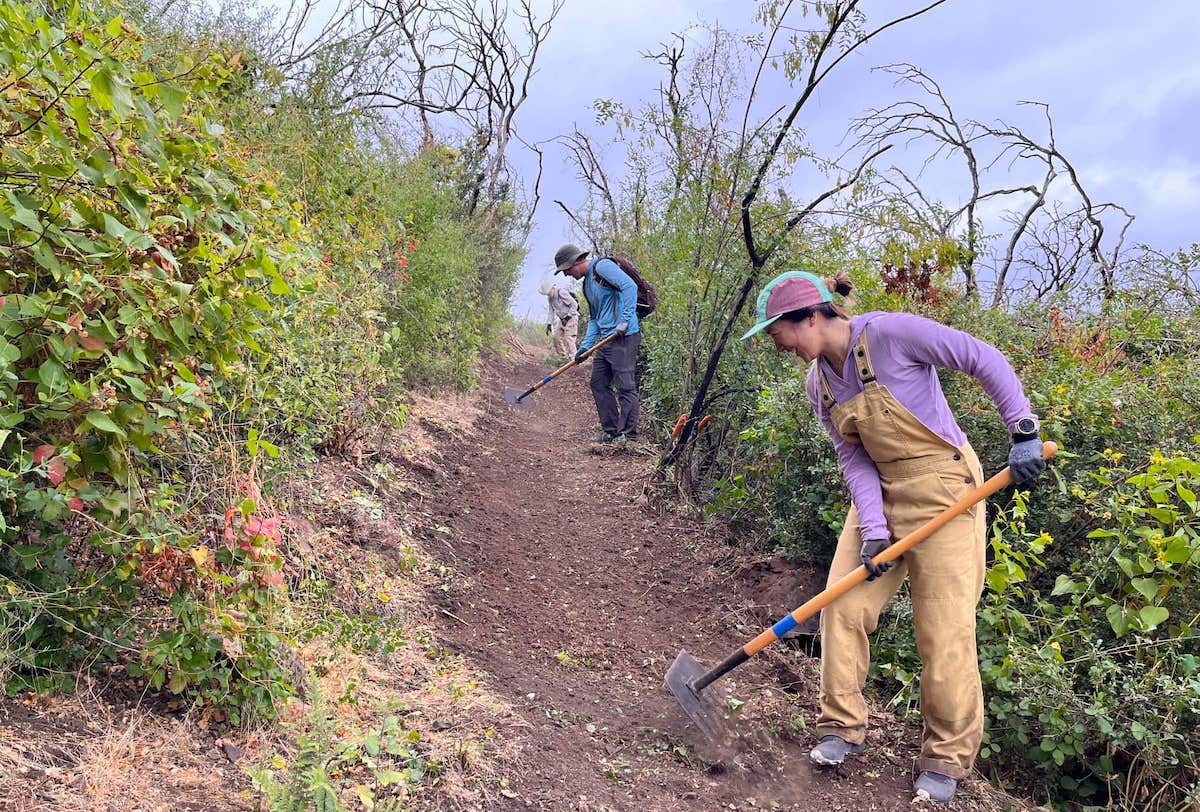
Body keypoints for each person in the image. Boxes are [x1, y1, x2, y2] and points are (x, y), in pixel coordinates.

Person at [741, 270, 1046, 804]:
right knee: (843, 602)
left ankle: (945, 759)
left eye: (778, 333)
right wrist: (875, 530)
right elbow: (853, 455)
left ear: (811, 317)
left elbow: (982, 357)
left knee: (944, 627)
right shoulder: (820, 383)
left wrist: (1022, 430)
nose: (779, 344)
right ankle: (841, 727)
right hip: (881, 496)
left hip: (947, 492)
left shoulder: (890, 334)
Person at [553, 243, 641, 444]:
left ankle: (629, 437)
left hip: (624, 337)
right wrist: (585, 346)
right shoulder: (586, 284)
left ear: (575, 262)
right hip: (606, 340)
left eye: (566, 270)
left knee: (625, 387)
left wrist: (625, 320)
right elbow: (595, 318)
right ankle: (611, 432)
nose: (566, 275)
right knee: (598, 383)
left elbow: (630, 287)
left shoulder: (602, 268)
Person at [544, 279, 580, 360]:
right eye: (547, 294)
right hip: (562, 319)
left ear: (552, 288)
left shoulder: (561, 292)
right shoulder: (550, 298)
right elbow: (551, 311)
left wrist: (567, 318)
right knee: (556, 338)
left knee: (569, 339)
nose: (548, 295)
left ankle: (574, 360)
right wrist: (549, 324)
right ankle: (563, 359)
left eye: (549, 292)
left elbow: (574, 305)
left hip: (571, 317)